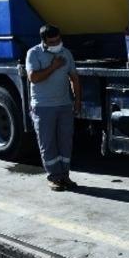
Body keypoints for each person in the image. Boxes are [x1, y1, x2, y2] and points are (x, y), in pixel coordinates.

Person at [26, 25, 81, 191]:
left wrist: (77, 100)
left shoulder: (66, 53)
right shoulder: (33, 53)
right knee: (48, 143)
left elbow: (74, 78)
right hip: (43, 107)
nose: (57, 43)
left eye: (58, 39)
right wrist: (54, 66)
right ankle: (54, 177)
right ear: (44, 41)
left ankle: (65, 176)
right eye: (53, 41)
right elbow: (33, 78)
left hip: (64, 105)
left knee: (65, 143)